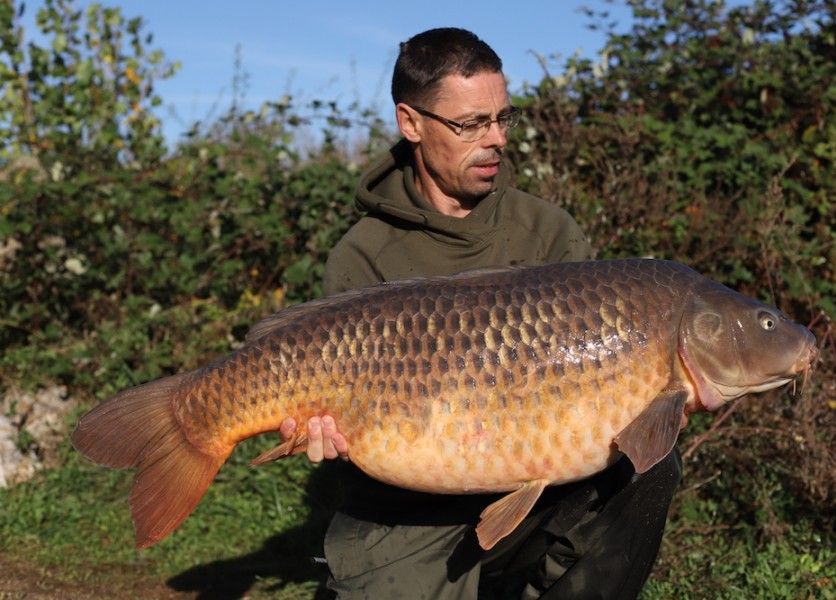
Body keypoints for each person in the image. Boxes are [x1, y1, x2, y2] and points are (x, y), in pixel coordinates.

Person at [280, 27, 683, 599]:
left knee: (653, 465)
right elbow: (346, 418)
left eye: (502, 118)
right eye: (470, 124)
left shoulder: (548, 231)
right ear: (411, 123)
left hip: (537, 506)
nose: (495, 139)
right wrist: (321, 429)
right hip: (407, 517)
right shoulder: (363, 254)